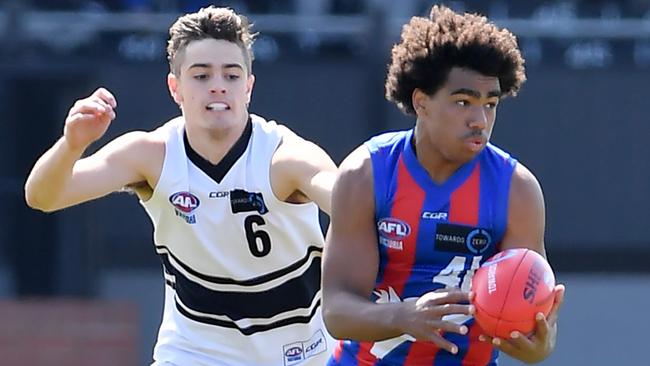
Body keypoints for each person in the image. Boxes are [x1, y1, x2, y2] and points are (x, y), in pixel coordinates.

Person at [24, 6, 337, 366]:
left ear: (249, 87)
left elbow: (353, 205)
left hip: (298, 354)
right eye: (201, 75)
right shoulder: (151, 155)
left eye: (232, 75)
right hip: (192, 353)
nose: (218, 85)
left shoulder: (286, 158)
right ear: (176, 88)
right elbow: (42, 196)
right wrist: (72, 144)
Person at [322, 5, 565, 365]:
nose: (480, 120)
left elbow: (531, 321)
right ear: (421, 103)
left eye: (491, 104)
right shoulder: (366, 173)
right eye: (463, 102)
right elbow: (337, 310)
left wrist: (539, 343)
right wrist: (403, 317)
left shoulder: (517, 189)